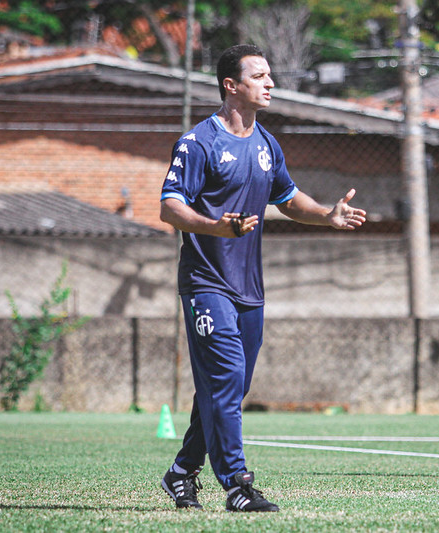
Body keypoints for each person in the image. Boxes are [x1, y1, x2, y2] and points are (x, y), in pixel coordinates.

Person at [158, 44, 367, 512]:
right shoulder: (198, 143)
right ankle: (237, 484)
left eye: (270, 75)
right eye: (259, 76)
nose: (270, 83)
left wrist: (327, 215)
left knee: (230, 386)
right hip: (206, 284)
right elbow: (169, 206)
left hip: (249, 288)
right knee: (227, 378)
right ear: (231, 86)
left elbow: (289, 199)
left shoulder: (267, 144)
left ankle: (180, 472)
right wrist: (215, 226)